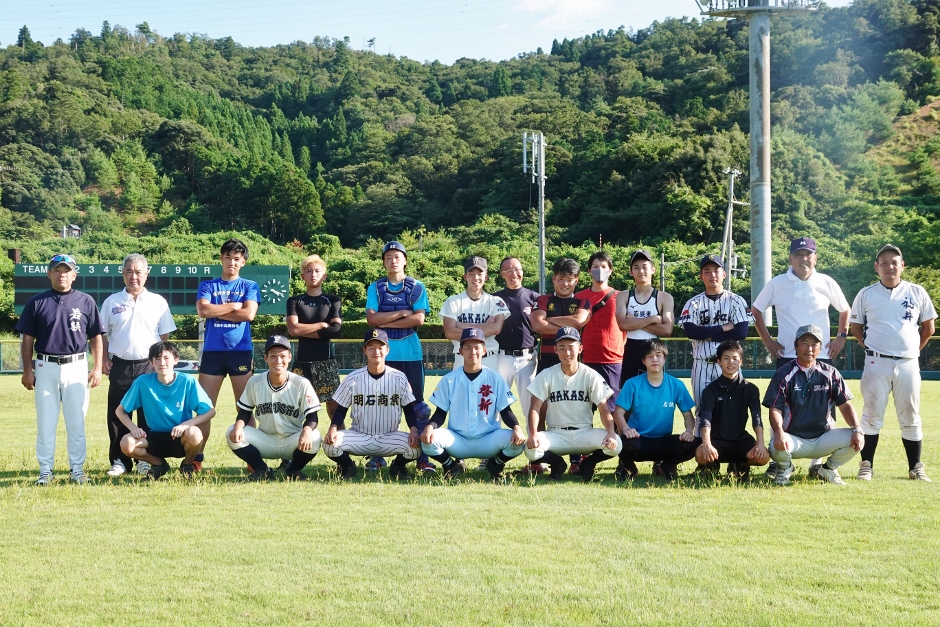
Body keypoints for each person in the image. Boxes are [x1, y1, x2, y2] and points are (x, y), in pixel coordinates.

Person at [751, 236, 851, 478]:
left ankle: (817, 464)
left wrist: (841, 337)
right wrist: (767, 340)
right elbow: (756, 310)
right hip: (787, 355)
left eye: (808, 255)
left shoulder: (826, 282)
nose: (803, 259)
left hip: (821, 356)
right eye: (798, 255)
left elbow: (845, 309)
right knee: (781, 409)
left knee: (824, 409)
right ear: (790, 258)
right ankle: (780, 460)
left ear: (815, 258)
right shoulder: (777, 283)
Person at [850, 244, 936, 482]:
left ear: (902, 265)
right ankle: (866, 466)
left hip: (908, 363)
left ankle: (916, 467)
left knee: (910, 416)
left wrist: (912, 350)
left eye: (894, 262)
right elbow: (855, 327)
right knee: (871, 415)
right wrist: (870, 347)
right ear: (876, 267)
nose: (890, 267)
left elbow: (929, 327)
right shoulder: (866, 293)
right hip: (876, 362)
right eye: (884, 263)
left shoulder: (917, 292)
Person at [17, 254, 104, 485]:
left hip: (76, 365)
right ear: (49, 274)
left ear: (74, 275)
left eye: (66, 271)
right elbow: (27, 340)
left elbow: (96, 336)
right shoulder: (37, 302)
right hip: (45, 366)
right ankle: (45, 470)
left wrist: (97, 368)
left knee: (76, 421)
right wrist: (27, 370)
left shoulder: (86, 301)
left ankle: (77, 469)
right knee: (46, 422)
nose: (62, 274)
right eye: (57, 270)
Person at [100, 253, 176, 477]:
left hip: (148, 366)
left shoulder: (157, 302)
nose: (134, 276)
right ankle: (119, 461)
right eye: (129, 271)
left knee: (147, 415)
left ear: (146, 274)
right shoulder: (112, 301)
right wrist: (103, 358)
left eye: (138, 272)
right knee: (118, 413)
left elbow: (164, 335)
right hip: (121, 365)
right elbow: (102, 334)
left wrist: (158, 362)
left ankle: (144, 459)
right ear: (123, 274)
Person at [763, 325, 864, 486]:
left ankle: (828, 469)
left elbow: (845, 404)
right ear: (795, 346)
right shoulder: (783, 373)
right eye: (804, 343)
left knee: (858, 438)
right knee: (776, 445)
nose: (809, 348)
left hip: (823, 438)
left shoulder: (830, 373)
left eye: (814, 344)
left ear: (820, 347)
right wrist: (779, 432)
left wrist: (856, 429)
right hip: (794, 438)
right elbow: (775, 408)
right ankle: (785, 468)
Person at [421, 328, 526, 480]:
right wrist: (429, 427)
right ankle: (452, 466)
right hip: (457, 440)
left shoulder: (495, 378)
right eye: (468, 348)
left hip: (488, 439)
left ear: (484, 350)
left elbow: (505, 410)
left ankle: (495, 464)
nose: (473, 352)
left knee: (518, 442)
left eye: (477, 347)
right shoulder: (449, 379)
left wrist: (517, 427)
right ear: (460, 351)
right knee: (428, 441)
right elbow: (440, 413)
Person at [365, 241, 433, 472]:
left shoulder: (416, 287)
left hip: (410, 353)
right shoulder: (376, 287)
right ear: (383, 262)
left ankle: (423, 456)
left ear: (405, 260)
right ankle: (377, 455)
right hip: (383, 354)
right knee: (379, 403)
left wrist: (386, 319)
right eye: (388, 257)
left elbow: (419, 319)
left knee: (418, 407)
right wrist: (403, 312)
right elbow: (372, 319)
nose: (393, 261)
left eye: (397, 257)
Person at [524, 327, 622, 482]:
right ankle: (557, 464)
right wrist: (533, 434)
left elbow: (604, 410)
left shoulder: (590, 375)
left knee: (617, 444)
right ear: (555, 349)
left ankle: (588, 464)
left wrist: (610, 432)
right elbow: (535, 408)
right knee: (530, 450)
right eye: (562, 348)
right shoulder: (547, 374)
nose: (567, 353)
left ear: (580, 348)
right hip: (556, 434)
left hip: (584, 433)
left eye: (571, 347)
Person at [322, 329, 421, 481]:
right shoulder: (353, 378)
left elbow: (408, 409)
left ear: (387, 350)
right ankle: (349, 467)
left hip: (390, 437)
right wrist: (333, 428)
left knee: (416, 448)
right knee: (329, 445)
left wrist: (414, 430)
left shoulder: (399, 377)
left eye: (380, 347)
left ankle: (397, 466)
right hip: (359, 436)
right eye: (371, 348)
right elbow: (341, 409)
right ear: (364, 350)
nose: (376, 352)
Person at [195, 238, 260, 470]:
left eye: (237, 259)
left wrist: (216, 312)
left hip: (240, 352)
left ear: (243, 262)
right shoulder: (208, 285)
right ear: (221, 258)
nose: (232, 262)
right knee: (204, 408)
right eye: (228, 257)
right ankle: (196, 458)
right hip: (213, 353)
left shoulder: (250, 285)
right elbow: (203, 310)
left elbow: (249, 315)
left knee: (245, 408)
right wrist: (233, 306)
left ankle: (253, 461)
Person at [226, 335, 322, 481]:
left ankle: (293, 470)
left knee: (315, 436)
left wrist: (307, 431)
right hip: (265, 439)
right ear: (266, 358)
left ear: (290, 357)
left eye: (282, 356)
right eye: (273, 356)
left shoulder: (301, 383)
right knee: (231, 433)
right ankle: (262, 470)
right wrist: (238, 427)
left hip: (293, 440)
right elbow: (245, 411)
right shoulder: (255, 382)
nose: (278, 361)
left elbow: (312, 417)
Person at [117, 341, 216, 479]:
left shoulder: (188, 381)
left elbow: (210, 411)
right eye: (157, 359)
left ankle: (187, 465)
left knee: (195, 433)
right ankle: (159, 464)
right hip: (153, 437)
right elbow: (120, 411)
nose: (162, 363)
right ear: (151, 362)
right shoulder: (143, 382)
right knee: (126, 443)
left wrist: (186, 424)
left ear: (176, 360)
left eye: (166, 358)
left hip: (181, 437)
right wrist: (133, 428)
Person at [529, 257, 592, 474]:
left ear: (576, 280)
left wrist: (551, 321)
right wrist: (568, 322)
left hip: (573, 361)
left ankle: (576, 459)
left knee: (576, 407)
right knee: (541, 407)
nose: (565, 284)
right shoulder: (543, 300)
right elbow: (537, 324)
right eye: (561, 279)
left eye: (570, 279)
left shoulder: (583, 302)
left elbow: (579, 321)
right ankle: (539, 459)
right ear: (554, 279)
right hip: (547, 360)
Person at [613, 339, 697, 481]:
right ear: (643, 361)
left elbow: (688, 415)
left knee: (692, 444)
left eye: (658, 355)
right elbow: (617, 413)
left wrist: (689, 431)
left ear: (664, 359)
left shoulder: (676, 384)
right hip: (638, 440)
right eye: (650, 356)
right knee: (621, 442)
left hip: (664, 441)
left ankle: (667, 465)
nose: (654, 359)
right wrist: (626, 429)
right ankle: (629, 467)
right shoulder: (632, 384)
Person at [678, 254, 750, 408]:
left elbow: (741, 332)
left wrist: (706, 334)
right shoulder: (693, 303)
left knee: (733, 411)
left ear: (724, 274)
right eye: (707, 271)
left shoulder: (736, 301)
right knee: (702, 411)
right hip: (702, 365)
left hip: (730, 365)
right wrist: (723, 328)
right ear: (701, 276)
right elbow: (691, 332)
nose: (712, 275)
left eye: (716, 270)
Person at [695, 340, 769, 481]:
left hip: (740, 440)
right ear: (719, 361)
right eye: (726, 358)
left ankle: (740, 464)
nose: (731, 362)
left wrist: (760, 443)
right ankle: (712, 466)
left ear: (741, 361)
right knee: (700, 454)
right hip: (718, 440)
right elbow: (705, 419)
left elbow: (757, 418)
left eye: (735, 358)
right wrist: (707, 444)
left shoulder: (750, 389)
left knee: (763, 457)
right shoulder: (710, 390)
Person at [285, 254, 342, 421]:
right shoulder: (294, 301)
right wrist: (321, 325)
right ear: (303, 276)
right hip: (302, 362)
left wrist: (301, 330)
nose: (313, 274)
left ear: (324, 276)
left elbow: (336, 330)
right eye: (309, 271)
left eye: (317, 271)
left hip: (326, 362)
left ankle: (338, 437)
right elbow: (292, 329)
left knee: (335, 412)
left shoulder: (332, 301)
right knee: (299, 410)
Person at [575, 251, 626, 412]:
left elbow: (625, 328)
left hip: (612, 361)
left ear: (610, 270)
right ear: (589, 271)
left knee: (614, 411)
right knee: (583, 411)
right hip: (586, 360)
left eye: (603, 266)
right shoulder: (579, 297)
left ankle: (615, 432)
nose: (599, 270)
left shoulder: (620, 297)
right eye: (595, 266)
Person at [439, 255, 509, 372]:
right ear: (465, 276)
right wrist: (485, 327)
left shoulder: (496, 301)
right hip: (462, 360)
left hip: (488, 360)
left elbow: (496, 329)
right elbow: (450, 333)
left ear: (486, 277)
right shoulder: (452, 301)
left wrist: (462, 326)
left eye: (480, 274)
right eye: (471, 274)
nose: (476, 277)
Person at [615, 249, 675, 385]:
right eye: (636, 267)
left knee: (654, 390)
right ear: (631, 272)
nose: (641, 271)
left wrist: (634, 321)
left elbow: (667, 330)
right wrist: (653, 319)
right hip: (631, 350)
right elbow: (622, 325)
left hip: (654, 350)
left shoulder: (664, 297)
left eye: (644, 267)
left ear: (653, 270)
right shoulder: (623, 296)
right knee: (628, 392)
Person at [493, 256, 539, 423]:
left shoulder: (534, 297)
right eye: (508, 270)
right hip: (501, 357)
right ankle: (492, 438)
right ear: (502, 275)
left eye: (517, 269)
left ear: (522, 271)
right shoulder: (494, 299)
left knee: (530, 406)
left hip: (527, 359)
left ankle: (533, 438)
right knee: (496, 404)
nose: (514, 274)